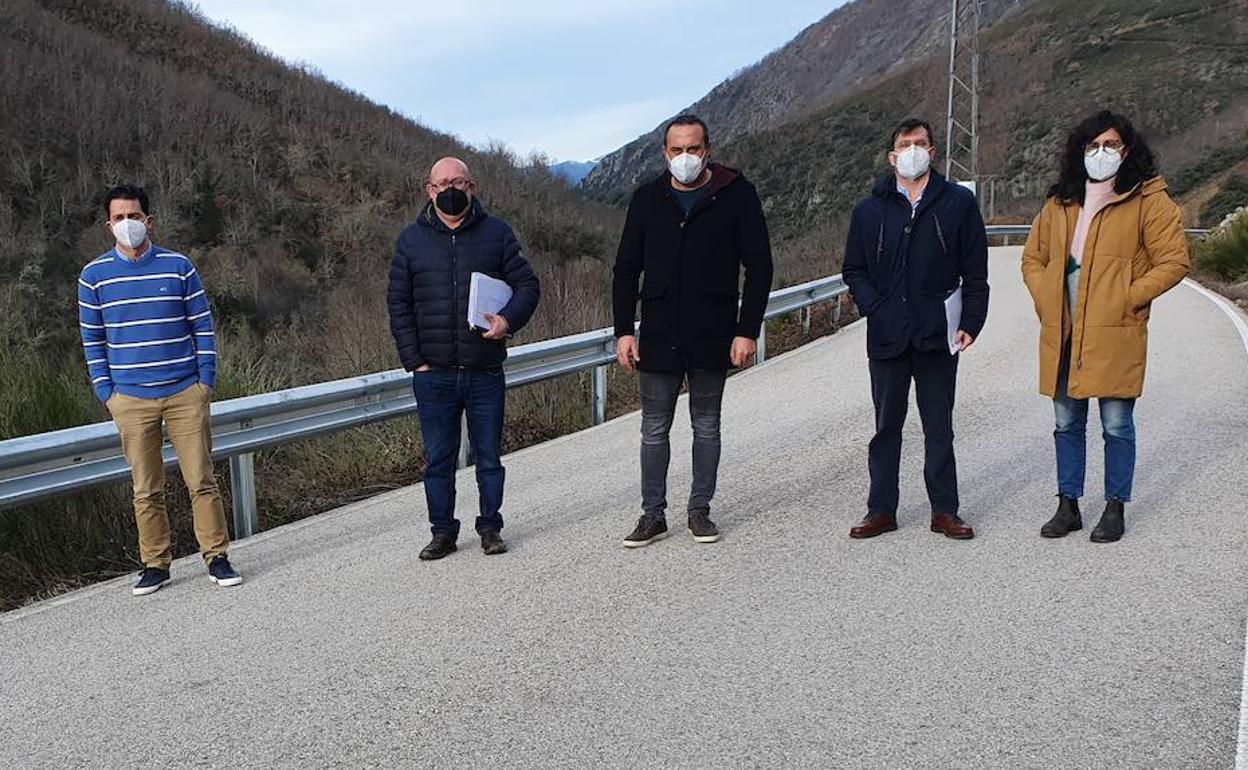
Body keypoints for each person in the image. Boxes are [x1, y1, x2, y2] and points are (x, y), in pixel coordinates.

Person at [1021, 111, 1190, 543]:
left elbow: (1174, 260)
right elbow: (1033, 258)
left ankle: (1115, 507)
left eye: (1111, 145)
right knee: (1066, 423)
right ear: (1080, 151)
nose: (1101, 153)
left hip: (1115, 330)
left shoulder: (1148, 199)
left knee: (1116, 423)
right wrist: (1046, 297)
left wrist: (1128, 296)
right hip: (1063, 331)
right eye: (1093, 145)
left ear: (1127, 150)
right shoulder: (1060, 202)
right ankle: (1068, 506)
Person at [612, 115, 774, 548]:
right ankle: (652, 515)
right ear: (664, 153)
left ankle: (699, 511)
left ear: (707, 150)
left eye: (693, 149)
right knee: (653, 428)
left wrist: (746, 330)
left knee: (706, 425)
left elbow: (759, 267)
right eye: (677, 150)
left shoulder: (736, 194)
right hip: (659, 331)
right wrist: (624, 330)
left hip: (713, 330)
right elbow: (626, 268)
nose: (685, 157)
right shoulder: (648, 199)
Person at [77, 184, 241, 596]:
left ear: (148, 221)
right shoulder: (93, 277)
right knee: (146, 488)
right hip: (130, 398)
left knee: (201, 480)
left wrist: (205, 381)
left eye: (133, 216)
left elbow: (202, 326)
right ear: (108, 225)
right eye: (119, 218)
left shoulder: (178, 267)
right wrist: (106, 392)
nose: (127, 224)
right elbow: (92, 339)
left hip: (185, 391)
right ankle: (155, 564)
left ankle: (217, 557)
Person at [841, 118, 990, 540]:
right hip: (887, 337)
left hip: (936, 334)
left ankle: (945, 511)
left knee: (938, 426)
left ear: (932, 152)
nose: (912, 150)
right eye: (905, 144)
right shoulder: (869, 210)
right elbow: (854, 270)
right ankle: (880, 510)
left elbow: (975, 270)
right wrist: (875, 308)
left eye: (920, 143)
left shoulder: (958, 203)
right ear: (892, 157)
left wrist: (971, 321)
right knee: (886, 427)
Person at [388, 157, 540, 560]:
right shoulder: (411, 240)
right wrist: (415, 361)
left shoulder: (497, 233)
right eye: (442, 184)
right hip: (433, 373)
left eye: (458, 182)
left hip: (484, 369)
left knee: (489, 458)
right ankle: (442, 533)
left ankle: (490, 528)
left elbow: (528, 285)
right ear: (430, 190)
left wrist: (507, 321)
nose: (450, 189)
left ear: (471, 187)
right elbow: (398, 304)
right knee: (438, 461)